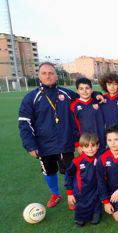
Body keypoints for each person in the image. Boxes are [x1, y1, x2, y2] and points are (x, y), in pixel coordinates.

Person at [18, 62, 103, 209]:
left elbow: (84, 95)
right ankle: (55, 194)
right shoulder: (31, 97)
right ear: (39, 76)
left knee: (70, 171)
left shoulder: (66, 93)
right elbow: (24, 122)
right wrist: (30, 144)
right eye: (44, 73)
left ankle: (73, 195)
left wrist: (97, 94)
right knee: (49, 171)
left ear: (56, 75)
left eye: (51, 73)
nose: (48, 76)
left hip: (65, 143)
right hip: (43, 145)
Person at [65, 133, 102, 227]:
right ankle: (80, 217)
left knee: (96, 201)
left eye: (93, 145)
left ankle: (96, 213)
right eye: (86, 146)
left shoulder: (100, 158)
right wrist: (69, 193)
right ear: (81, 148)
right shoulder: (77, 161)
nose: (90, 149)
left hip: (96, 189)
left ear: (98, 146)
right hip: (81, 190)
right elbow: (68, 175)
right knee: (81, 206)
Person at [70, 78, 106, 151]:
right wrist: (77, 144)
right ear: (77, 91)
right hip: (85, 144)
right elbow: (73, 126)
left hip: (100, 142)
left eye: (87, 88)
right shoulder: (74, 106)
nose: (84, 91)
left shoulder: (98, 101)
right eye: (81, 89)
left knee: (101, 161)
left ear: (91, 90)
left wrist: (97, 94)